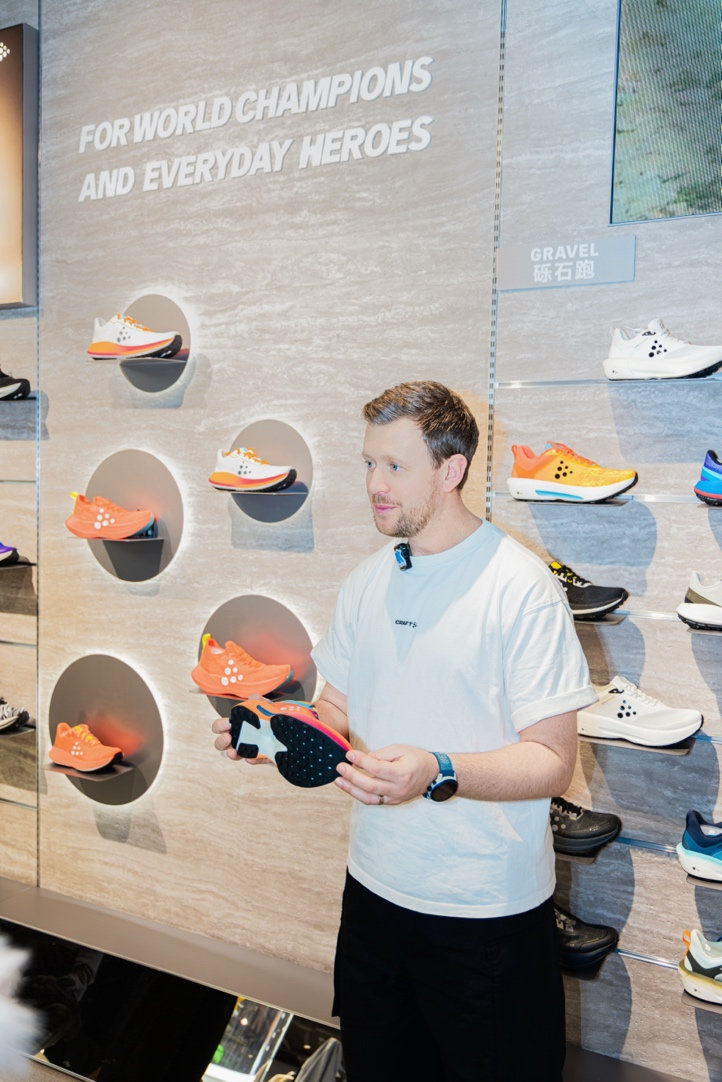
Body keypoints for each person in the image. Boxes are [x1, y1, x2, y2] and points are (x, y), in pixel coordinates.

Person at [213, 380, 596, 1082]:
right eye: (369, 463)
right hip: (373, 898)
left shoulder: (520, 587)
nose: (374, 485)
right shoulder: (368, 581)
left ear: (450, 471)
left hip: (485, 918)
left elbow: (552, 761)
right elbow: (336, 710)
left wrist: (437, 769)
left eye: (394, 466)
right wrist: (276, 732)